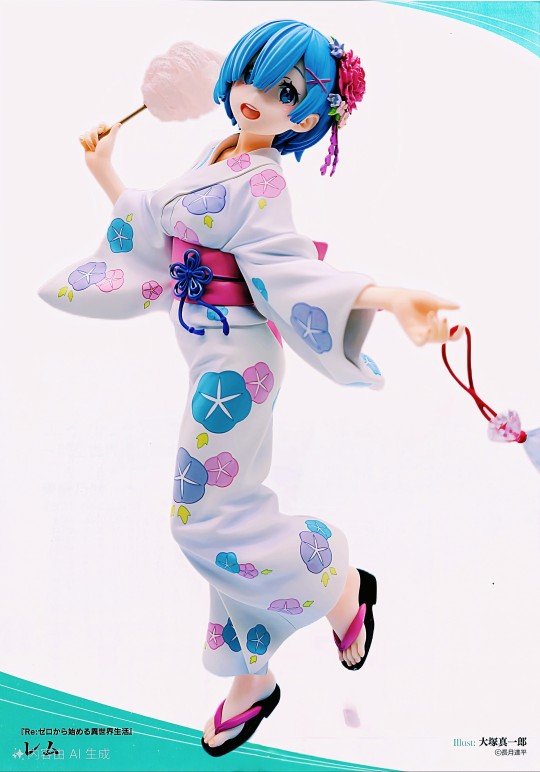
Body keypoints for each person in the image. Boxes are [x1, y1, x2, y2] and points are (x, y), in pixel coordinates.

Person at [39, 19, 458, 757]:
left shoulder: (264, 182)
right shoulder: (218, 153)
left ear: (308, 117)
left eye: (286, 93)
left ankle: (336, 580)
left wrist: (386, 297)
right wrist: (106, 169)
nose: (256, 97)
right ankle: (251, 678)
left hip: (238, 367)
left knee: (200, 520)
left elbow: (292, 272)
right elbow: (155, 227)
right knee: (225, 520)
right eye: (249, 77)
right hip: (207, 355)